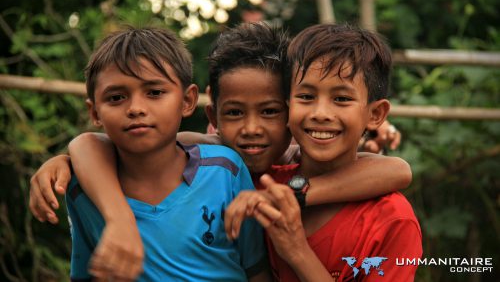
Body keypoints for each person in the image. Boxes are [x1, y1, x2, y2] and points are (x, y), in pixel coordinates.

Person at [29, 22, 412, 280]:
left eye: (270, 111)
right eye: (234, 113)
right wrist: (67, 161)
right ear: (211, 115)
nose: (251, 129)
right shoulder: (225, 168)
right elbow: (104, 143)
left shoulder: (274, 176)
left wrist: (294, 202)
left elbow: (397, 170)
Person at [61, 27, 271, 281]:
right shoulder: (82, 190)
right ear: (94, 113)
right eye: (116, 97)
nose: (136, 108)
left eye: (154, 92)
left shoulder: (225, 171)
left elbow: (257, 270)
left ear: (187, 101)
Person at [231, 23, 422, 281]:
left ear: (375, 114)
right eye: (306, 96)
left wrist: (297, 250)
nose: (320, 113)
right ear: (288, 106)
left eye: (342, 99)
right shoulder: (257, 186)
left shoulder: (392, 220)